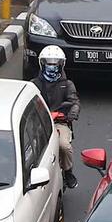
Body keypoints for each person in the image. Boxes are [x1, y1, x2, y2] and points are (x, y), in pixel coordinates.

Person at [32, 45, 81, 189]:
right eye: (49, 63)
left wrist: (73, 112)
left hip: (60, 123)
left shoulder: (67, 84)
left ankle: (68, 171)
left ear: (61, 65)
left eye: (55, 63)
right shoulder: (34, 84)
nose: (52, 66)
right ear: (42, 64)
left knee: (64, 146)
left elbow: (75, 102)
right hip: (39, 124)